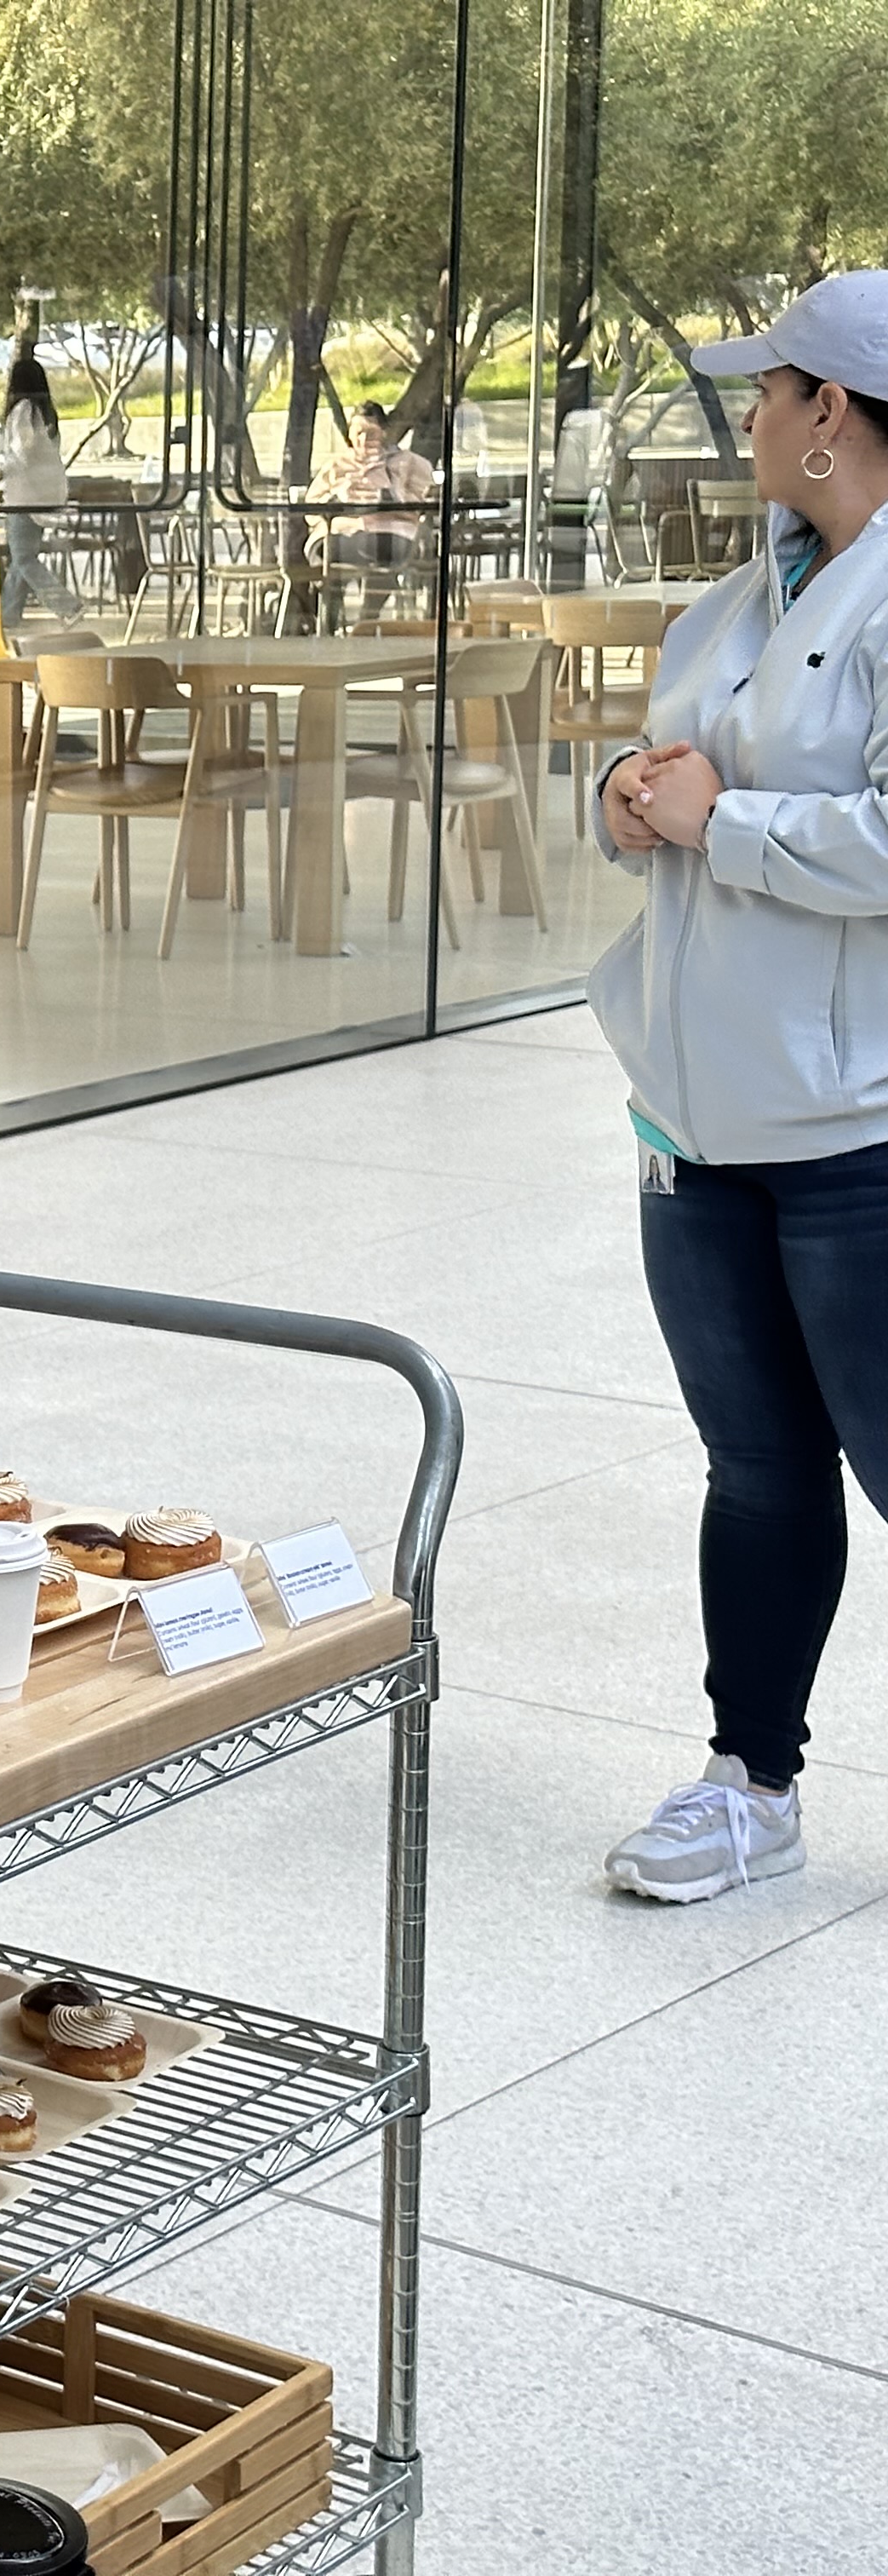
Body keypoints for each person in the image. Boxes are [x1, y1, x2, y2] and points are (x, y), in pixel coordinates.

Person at [589, 267, 888, 1903]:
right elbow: (659, 779)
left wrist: (722, 821)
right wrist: (627, 796)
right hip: (692, 1123)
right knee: (756, 1467)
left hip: (856, 1131)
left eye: (765, 389)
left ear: (827, 412)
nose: (749, 416)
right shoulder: (735, 598)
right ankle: (746, 1781)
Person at [304, 400, 437, 617]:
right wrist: (338, 497)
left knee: (381, 557)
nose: (364, 440)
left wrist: (387, 490)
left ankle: (368, 617)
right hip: (341, 535)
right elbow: (310, 509)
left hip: (390, 536)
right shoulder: (335, 466)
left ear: (384, 432)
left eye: (371, 433)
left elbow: (424, 506)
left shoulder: (411, 463)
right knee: (326, 560)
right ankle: (330, 621)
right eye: (358, 433)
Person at [0, 350, 75, 628]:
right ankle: (7, 616)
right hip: (47, 493)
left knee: (24, 558)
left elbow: (20, 453)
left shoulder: (22, 411)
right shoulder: (46, 412)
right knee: (21, 557)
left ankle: (67, 606)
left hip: (23, 495)